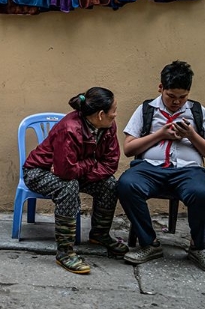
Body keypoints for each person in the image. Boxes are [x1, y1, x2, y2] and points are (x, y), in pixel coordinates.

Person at [117, 60, 205, 274]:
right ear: (160, 88)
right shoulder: (146, 109)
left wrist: (192, 135)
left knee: (204, 195)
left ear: (189, 92)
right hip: (149, 169)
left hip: (188, 172)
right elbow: (128, 149)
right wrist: (161, 134)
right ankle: (149, 244)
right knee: (126, 184)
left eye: (182, 97)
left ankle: (198, 247)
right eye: (171, 96)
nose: (176, 102)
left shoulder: (198, 111)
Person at [23, 87, 127, 275]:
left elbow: (110, 163)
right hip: (38, 172)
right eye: (114, 111)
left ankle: (99, 235)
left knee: (110, 184)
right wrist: (90, 162)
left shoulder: (109, 127)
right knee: (68, 187)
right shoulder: (70, 128)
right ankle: (65, 252)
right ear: (101, 114)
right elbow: (66, 172)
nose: (116, 114)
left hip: (75, 173)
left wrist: (83, 166)